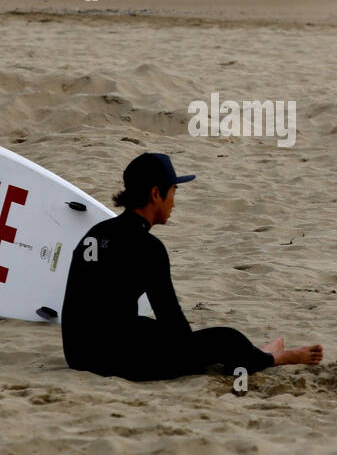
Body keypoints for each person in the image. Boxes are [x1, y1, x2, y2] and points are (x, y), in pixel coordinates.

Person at [61, 152, 323, 379]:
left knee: (141, 325)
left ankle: (257, 352)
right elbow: (176, 328)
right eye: (173, 192)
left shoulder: (97, 233)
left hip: (78, 355)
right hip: (118, 362)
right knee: (226, 339)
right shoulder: (149, 248)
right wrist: (196, 346)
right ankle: (273, 357)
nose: (174, 201)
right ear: (156, 194)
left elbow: (79, 306)